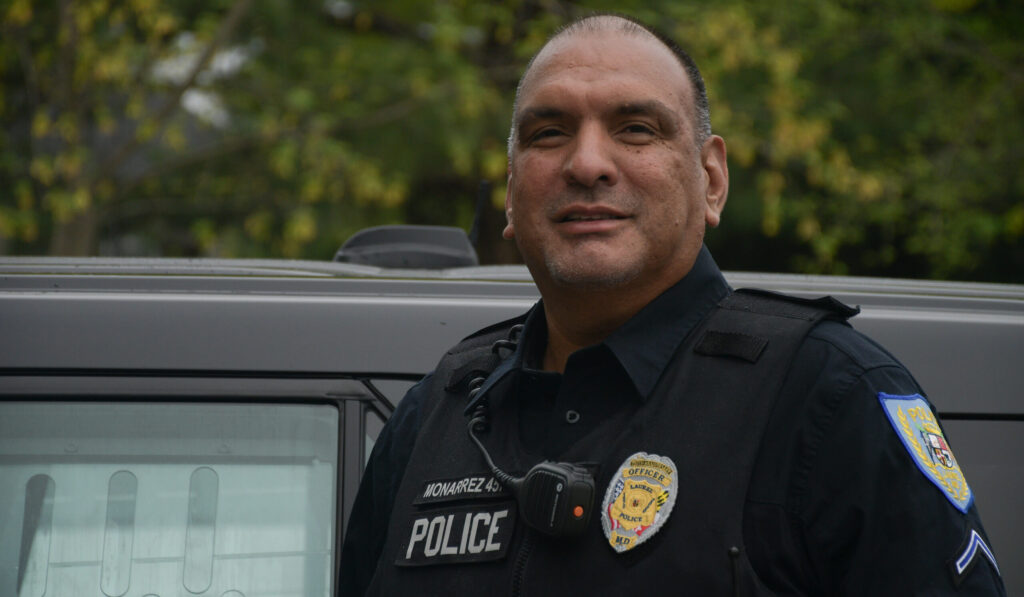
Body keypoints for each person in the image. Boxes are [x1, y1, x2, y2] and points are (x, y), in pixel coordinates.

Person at [339, 13, 1006, 596]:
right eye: (548, 133)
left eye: (635, 128)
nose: (588, 163)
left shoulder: (827, 400)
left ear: (711, 180)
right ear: (513, 192)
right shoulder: (434, 419)